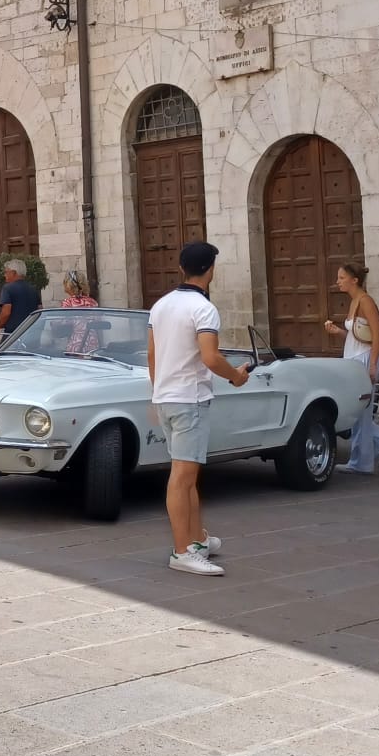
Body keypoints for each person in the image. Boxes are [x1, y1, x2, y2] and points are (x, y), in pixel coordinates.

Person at [146, 241, 250, 576]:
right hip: (189, 398)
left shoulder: (160, 305)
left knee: (187, 475)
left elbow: (152, 355)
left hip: (166, 396)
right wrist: (236, 376)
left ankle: (196, 539)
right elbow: (210, 357)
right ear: (211, 270)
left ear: (182, 268)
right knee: (182, 477)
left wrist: (159, 390)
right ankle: (182, 552)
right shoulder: (204, 308)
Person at [325, 262, 379, 473]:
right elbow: (358, 335)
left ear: (354, 280)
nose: (338, 282)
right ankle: (372, 454)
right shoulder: (355, 301)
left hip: (364, 358)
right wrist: (338, 332)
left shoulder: (365, 301)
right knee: (357, 410)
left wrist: (373, 364)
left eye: (341, 278)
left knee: (358, 410)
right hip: (355, 358)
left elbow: (378, 334)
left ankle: (366, 458)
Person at [0, 260, 41, 338]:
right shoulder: (33, 289)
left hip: (13, 333)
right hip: (31, 331)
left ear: (13, 273)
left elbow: (6, 312)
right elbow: (39, 309)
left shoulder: (7, 288)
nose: (4, 275)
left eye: (6, 272)